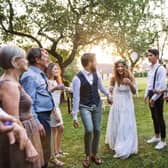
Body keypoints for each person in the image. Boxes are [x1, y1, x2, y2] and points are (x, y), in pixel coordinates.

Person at [0, 45, 44, 168]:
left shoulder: (13, 82)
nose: (27, 61)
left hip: (27, 130)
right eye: (24, 58)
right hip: (20, 137)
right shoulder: (9, 85)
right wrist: (28, 146)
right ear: (15, 62)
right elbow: (11, 121)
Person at [72, 53, 111, 168]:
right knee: (89, 130)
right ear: (89, 63)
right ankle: (87, 155)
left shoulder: (96, 73)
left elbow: (101, 87)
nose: (96, 63)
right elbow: (76, 97)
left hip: (97, 105)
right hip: (84, 106)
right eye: (95, 61)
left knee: (97, 130)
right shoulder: (77, 78)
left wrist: (108, 94)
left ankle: (94, 154)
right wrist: (74, 116)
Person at [20, 48, 54, 168]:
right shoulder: (30, 76)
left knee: (45, 150)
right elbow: (28, 103)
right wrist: (37, 122)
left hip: (45, 116)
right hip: (39, 117)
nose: (48, 59)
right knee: (42, 152)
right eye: (44, 56)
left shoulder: (39, 73)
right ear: (37, 60)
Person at [105, 60, 138, 159]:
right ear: (115, 68)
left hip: (127, 104)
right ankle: (116, 141)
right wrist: (109, 95)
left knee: (126, 124)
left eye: (122, 66)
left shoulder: (130, 77)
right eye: (118, 67)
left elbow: (134, 92)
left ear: (125, 67)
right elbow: (110, 91)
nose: (120, 68)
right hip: (117, 104)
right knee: (117, 123)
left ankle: (125, 144)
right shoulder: (113, 78)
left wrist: (130, 84)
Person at [144, 49, 167, 150]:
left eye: (151, 55)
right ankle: (156, 136)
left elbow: (161, 85)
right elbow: (149, 83)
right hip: (151, 93)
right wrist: (146, 94)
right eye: (148, 56)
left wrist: (153, 99)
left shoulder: (161, 68)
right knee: (154, 116)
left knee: (159, 117)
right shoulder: (150, 68)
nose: (149, 57)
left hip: (158, 95)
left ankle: (163, 140)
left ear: (157, 56)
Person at [46, 63, 66, 167]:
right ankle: (53, 154)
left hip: (57, 107)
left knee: (60, 128)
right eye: (54, 68)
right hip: (52, 107)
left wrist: (68, 88)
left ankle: (58, 150)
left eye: (58, 68)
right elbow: (48, 94)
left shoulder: (57, 80)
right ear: (50, 70)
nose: (57, 70)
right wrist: (55, 88)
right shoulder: (48, 81)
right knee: (54, 130)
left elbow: (61, 89)